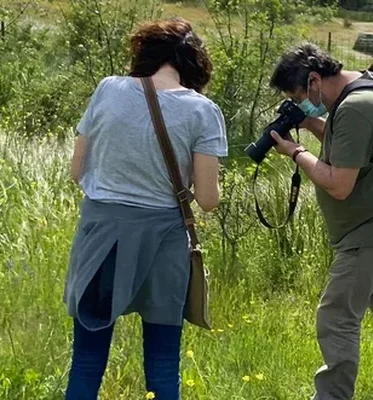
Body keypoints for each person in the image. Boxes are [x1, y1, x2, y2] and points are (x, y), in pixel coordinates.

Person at [64, 17, 227, 400]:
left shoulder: (107, 90)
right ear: (195, 64)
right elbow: (207, 199)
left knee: (87, 360)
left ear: (144, 52)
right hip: (164, 242)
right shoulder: (202, 111)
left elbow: (77, 171)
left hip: (101, 237)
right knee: (163, 363)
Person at [267, 43, 373, 400]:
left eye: (300, 97)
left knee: (337, 316)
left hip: (372, 232)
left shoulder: (355, 108)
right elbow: (355, 145)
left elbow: (340, 185)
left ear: (314, 80)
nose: (302, 103)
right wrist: (310, 122)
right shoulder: (366, 85)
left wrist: (296, 152)